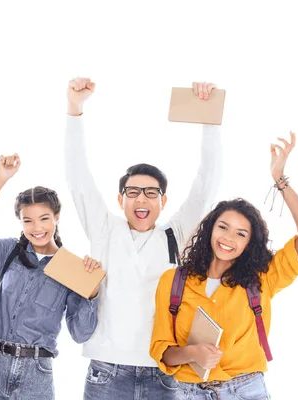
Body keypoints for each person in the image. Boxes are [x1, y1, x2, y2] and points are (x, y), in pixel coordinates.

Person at [65, 77, 223, 399]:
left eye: (151, 193)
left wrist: (209, 121)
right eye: (133, 192)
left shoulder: (175, 234)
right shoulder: (104, 229)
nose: (141, 200)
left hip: (162, 372)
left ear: (163, 201)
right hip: (107, 370)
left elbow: (206, 184)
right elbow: (78, 176)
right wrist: (74, 111)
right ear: (120, 199)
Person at [150, 131, 298, 399]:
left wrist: (280, 180)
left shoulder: (262, 279)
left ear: (249, 243)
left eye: (241, 234)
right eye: (223, 227)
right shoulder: (173, 281)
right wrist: (191, 353)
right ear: (209, 230)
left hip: (246, 390)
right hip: (186, 392)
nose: (229, 238)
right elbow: (162, 349)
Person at [0, 153, 102, 400]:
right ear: (20, 222)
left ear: (57, 217)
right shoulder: (9, 253)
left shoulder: (71, 268)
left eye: (44, 218)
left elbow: (81, 333)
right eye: (28, 220)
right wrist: (0, 179)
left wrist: (91, 290)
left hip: (35, 374)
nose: (37, 228)